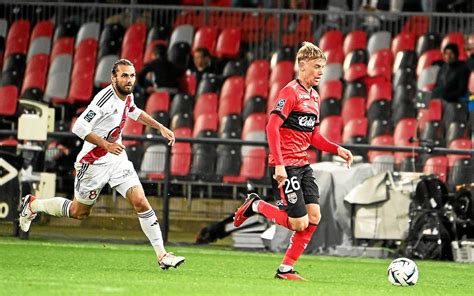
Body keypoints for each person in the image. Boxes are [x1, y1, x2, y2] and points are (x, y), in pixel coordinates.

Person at [19, 59, 185, 270]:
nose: (129, 80)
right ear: (113, 78)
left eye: (132, 75)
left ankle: (162, 255)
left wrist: (160, 126)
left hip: (117, 160)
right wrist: (106, 145)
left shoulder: (128, 96)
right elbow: (78, 127)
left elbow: (134, 111)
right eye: (124, 75)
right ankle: (33, 205)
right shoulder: (103, 99)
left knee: (141, 202)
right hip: (93, 163)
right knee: (79, 212)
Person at [233, 42, 353, 281]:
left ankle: (285, 270)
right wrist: (279, 164)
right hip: (286, 166)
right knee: (299, 224)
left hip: (303, 165)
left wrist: (337, 148)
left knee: (314, 218)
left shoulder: (315, 97)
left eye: (323, 67)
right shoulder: (290, 92)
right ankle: (255, 205)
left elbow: (314, 136)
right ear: (302, 65)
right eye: (316, 66)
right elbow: (271, 127)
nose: (320, 72)